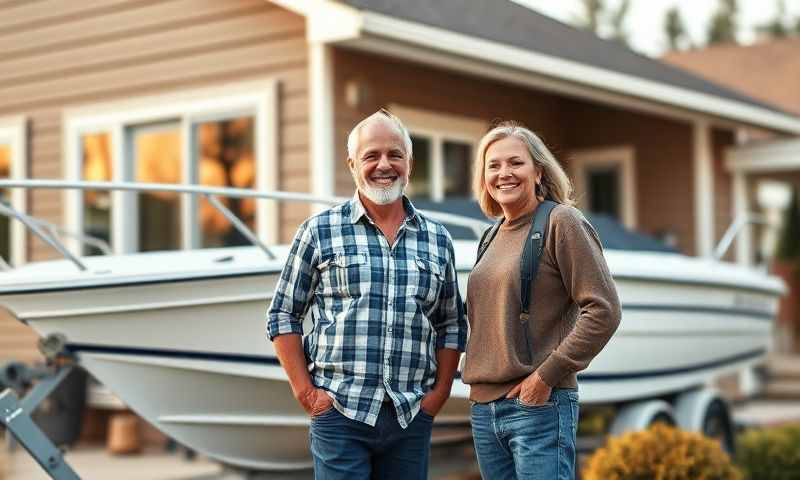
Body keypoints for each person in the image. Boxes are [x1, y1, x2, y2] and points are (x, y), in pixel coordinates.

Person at [266, 109, 467, 480]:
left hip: (410, 416)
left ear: (410, 163)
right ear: (352, 164)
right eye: (371, 155)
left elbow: (452, 322)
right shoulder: (319, 231)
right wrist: (307, 394)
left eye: (395, 154)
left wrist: (437, 396)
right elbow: (282, 315)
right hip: (339, 413)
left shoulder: (439, 239)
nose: (384, 165)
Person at [462, 121, 621, 480]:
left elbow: (604, 309)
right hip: (485, 412)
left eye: (515, 163)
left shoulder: (560, 222)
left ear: (538, 171)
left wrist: (545, 377)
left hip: (538, 407)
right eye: (494, 165)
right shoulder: (489, 236)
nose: (504, 173)